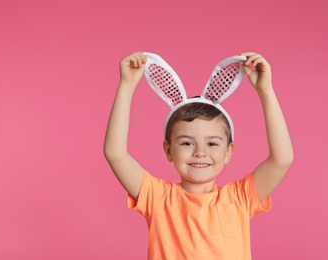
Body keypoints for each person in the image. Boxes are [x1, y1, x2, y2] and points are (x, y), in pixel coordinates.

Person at [104, 51, 293, 259]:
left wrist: (265, 91)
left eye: (212, 143)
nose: (200, 152)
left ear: (228, 152)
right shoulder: (158, 197)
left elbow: (281, 160)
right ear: (168, 150)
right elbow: (116, 154)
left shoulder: (240, 198)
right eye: (187, 142)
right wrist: (127, 86)